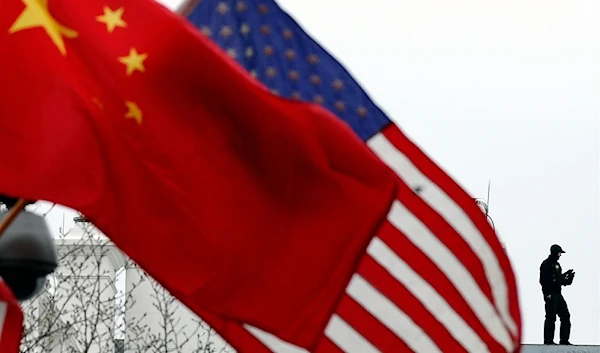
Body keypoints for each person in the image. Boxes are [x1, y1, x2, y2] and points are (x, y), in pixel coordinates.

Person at [539, 244, 575, 345]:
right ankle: (548, 341)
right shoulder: (546, 264)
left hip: (558, 294)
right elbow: (543, 280)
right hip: (550, 294)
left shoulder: (558, 266)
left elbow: (558, 280)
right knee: (551, 317)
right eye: (559, 253)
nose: (560, 255)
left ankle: (564, 340)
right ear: (555, 253)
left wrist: (566, 278)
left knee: (565, 316)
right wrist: (546, 293)